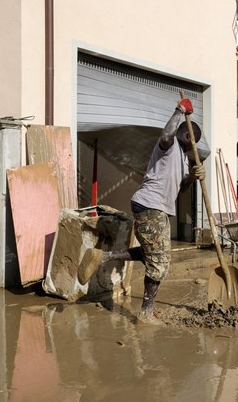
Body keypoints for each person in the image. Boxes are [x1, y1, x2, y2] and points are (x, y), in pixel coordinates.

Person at [77, 97, 206, 324]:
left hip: (159, 209)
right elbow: (166, 135)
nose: (193, 145)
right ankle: (146, 313)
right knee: (159, 264)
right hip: (150, 205)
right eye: (195, 140)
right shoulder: (170, 145)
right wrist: (179, 111)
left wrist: (193, 178)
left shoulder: (184, 159)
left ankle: (102, 256)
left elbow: (182, 188)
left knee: (153, 256)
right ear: (188, 137)